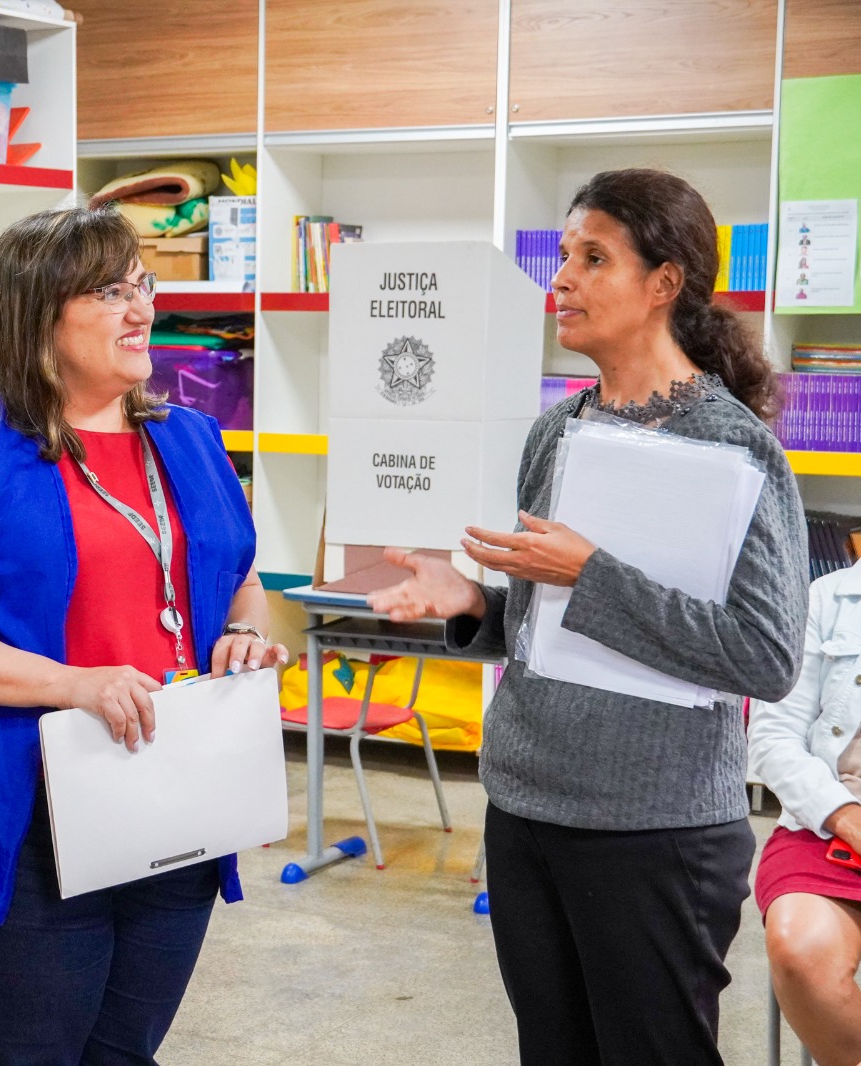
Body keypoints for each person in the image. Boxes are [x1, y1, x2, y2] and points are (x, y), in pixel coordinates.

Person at [368, 168, 808, 1065]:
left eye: (592, 258)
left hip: (657, 833)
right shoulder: (555, 433)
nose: (559, 279)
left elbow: (764, 657)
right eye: (563, 255)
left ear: (665, 283)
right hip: (526, 810)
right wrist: (474, 606)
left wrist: (591, 573)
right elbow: (548, 628)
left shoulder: (735, 448)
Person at [0, 205, 289, 1065]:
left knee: (126, 1051)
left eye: (143, 286)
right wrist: (75, 682)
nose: (141, 309)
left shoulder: (195, 440)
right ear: (37, 314)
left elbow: (238, 581)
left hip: (175, 803)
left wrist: (245, 634)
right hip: (20, 821)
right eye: (107, 291)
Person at [749, 557, 861, 1066]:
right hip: (830, 819)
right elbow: (774, 739)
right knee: (800, 949)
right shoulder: (824, 598)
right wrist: (843, 815)